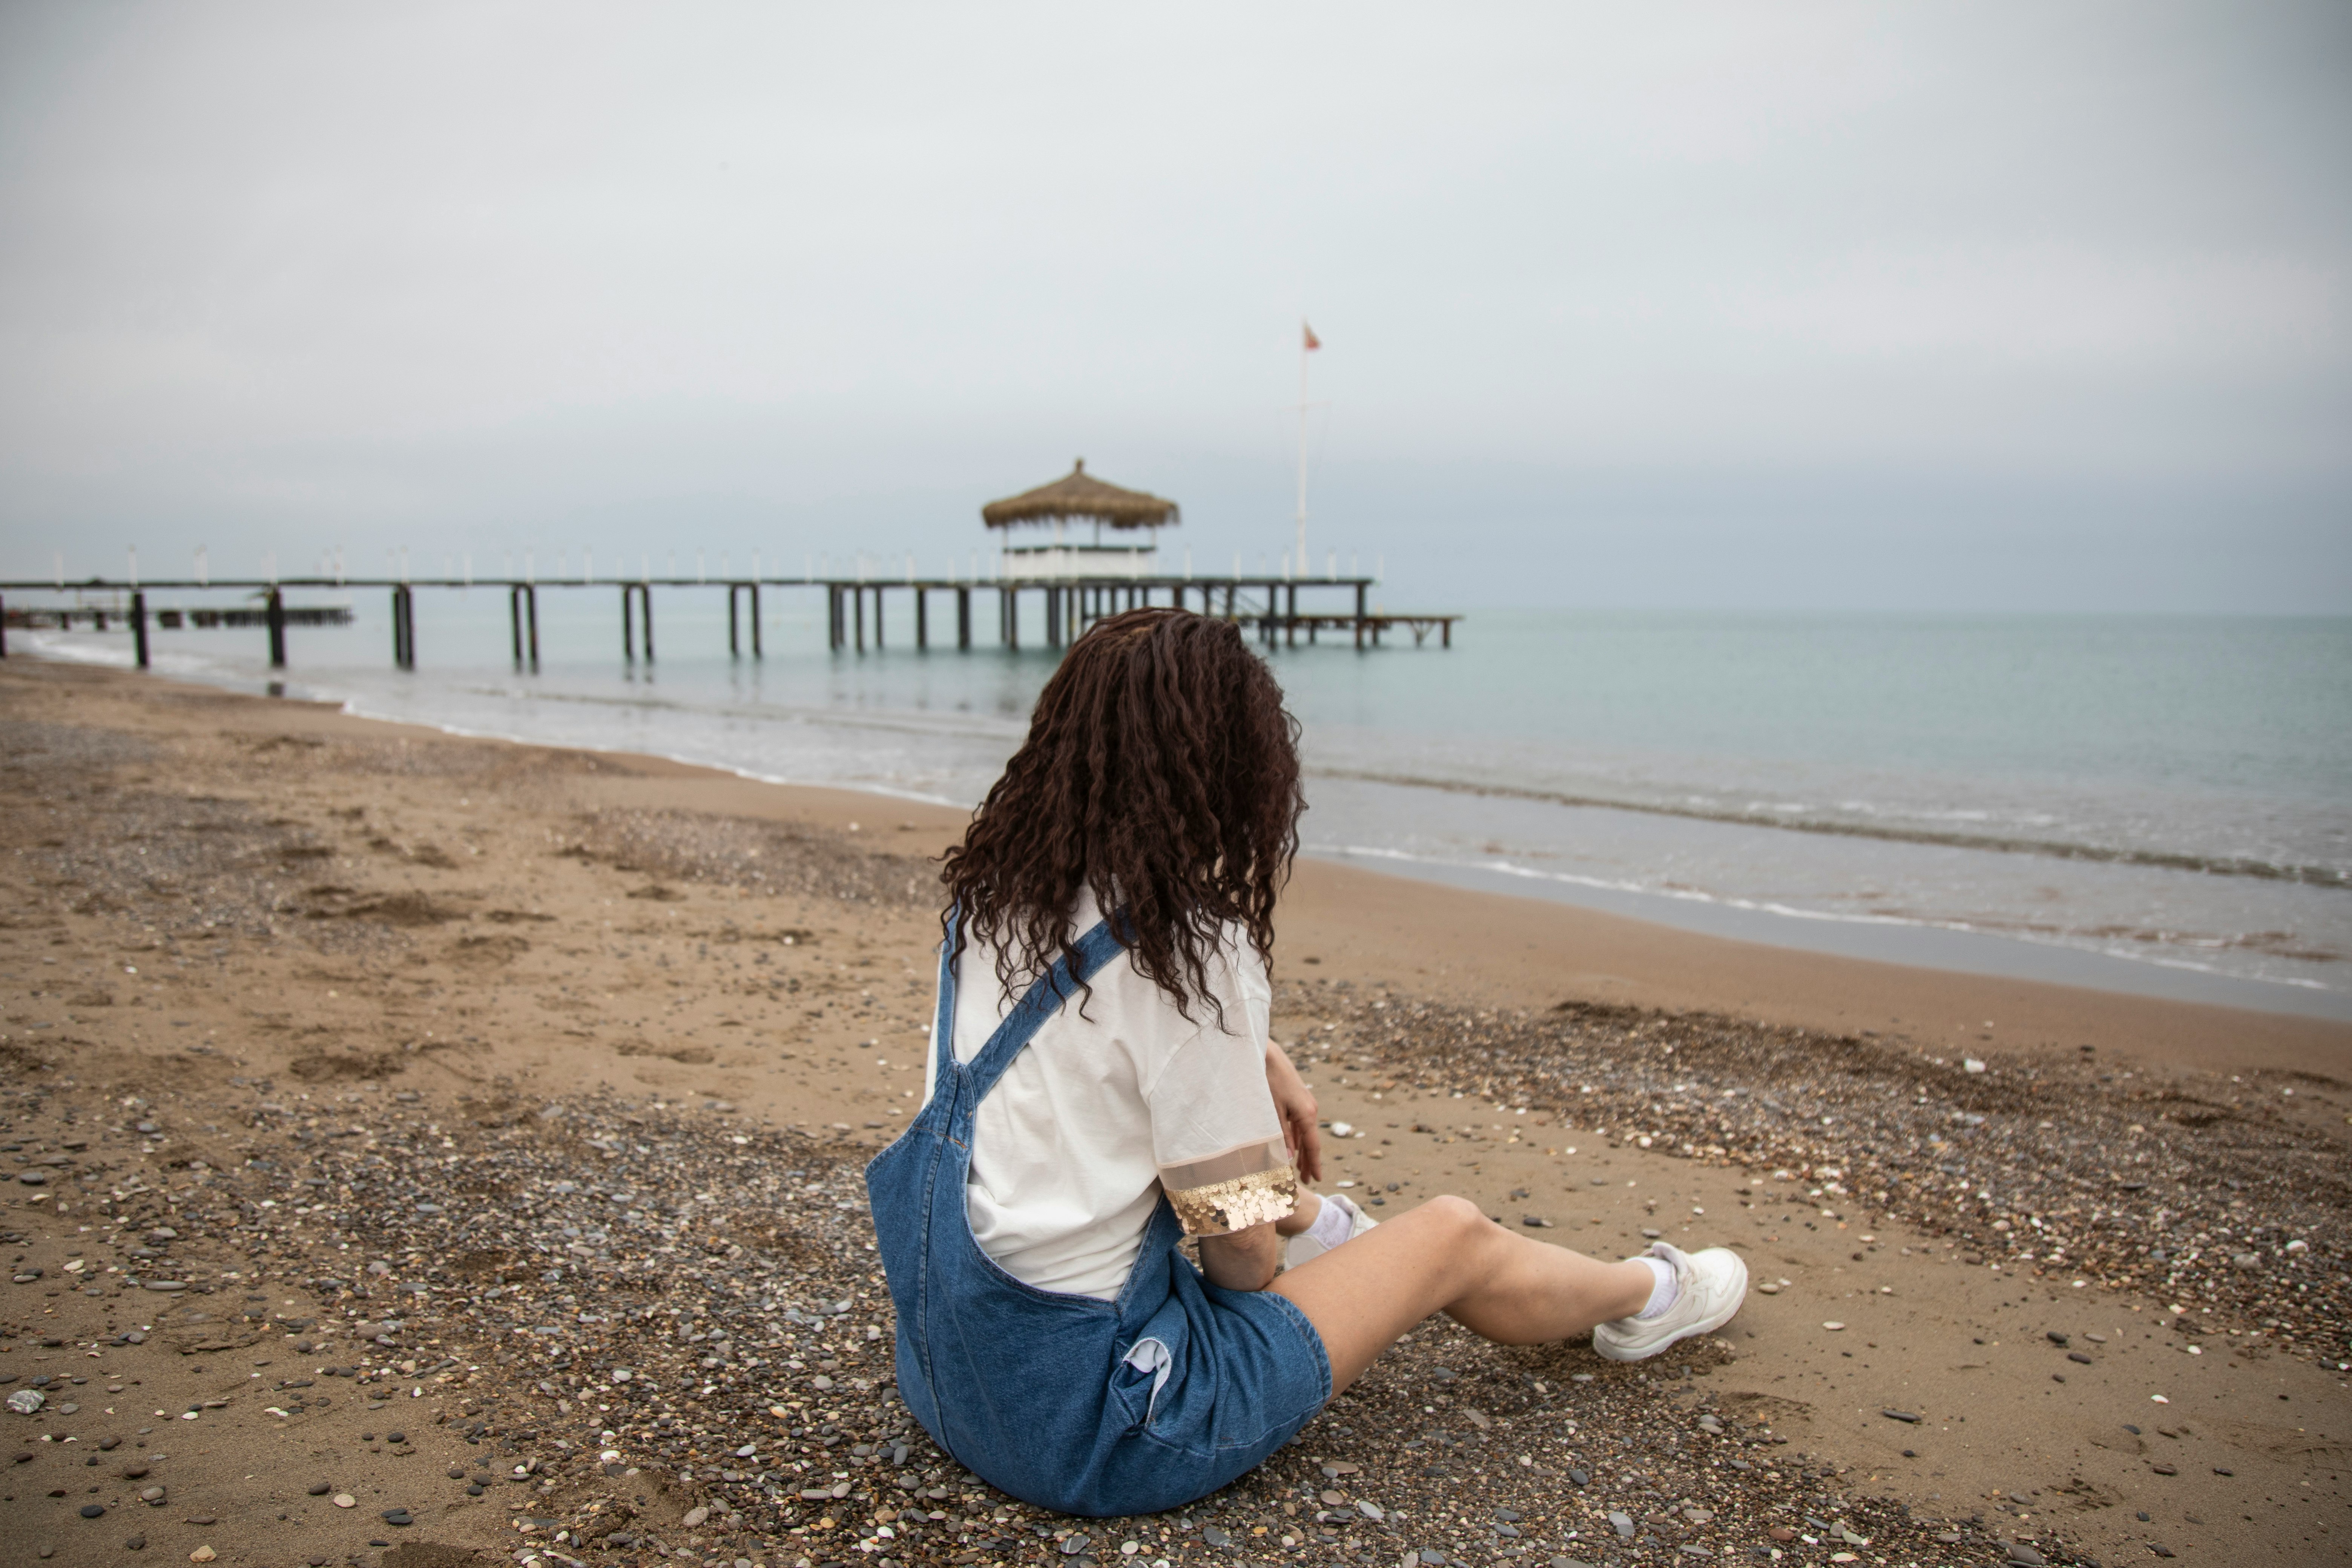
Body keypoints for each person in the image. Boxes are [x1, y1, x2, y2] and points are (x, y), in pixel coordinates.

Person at [866, 608, 1745, 1518]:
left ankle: (1328, 1224)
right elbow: (1241, 1262)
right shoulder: (1185, 953)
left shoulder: (991, 898)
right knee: (1450, 1234)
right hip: (1097, 1430)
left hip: (950, 1380)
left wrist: (1254, 1060)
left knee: (1210, 1167)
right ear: (1229, 763)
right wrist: (1258, 1225)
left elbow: (1092, 1049)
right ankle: (1650, 1298)